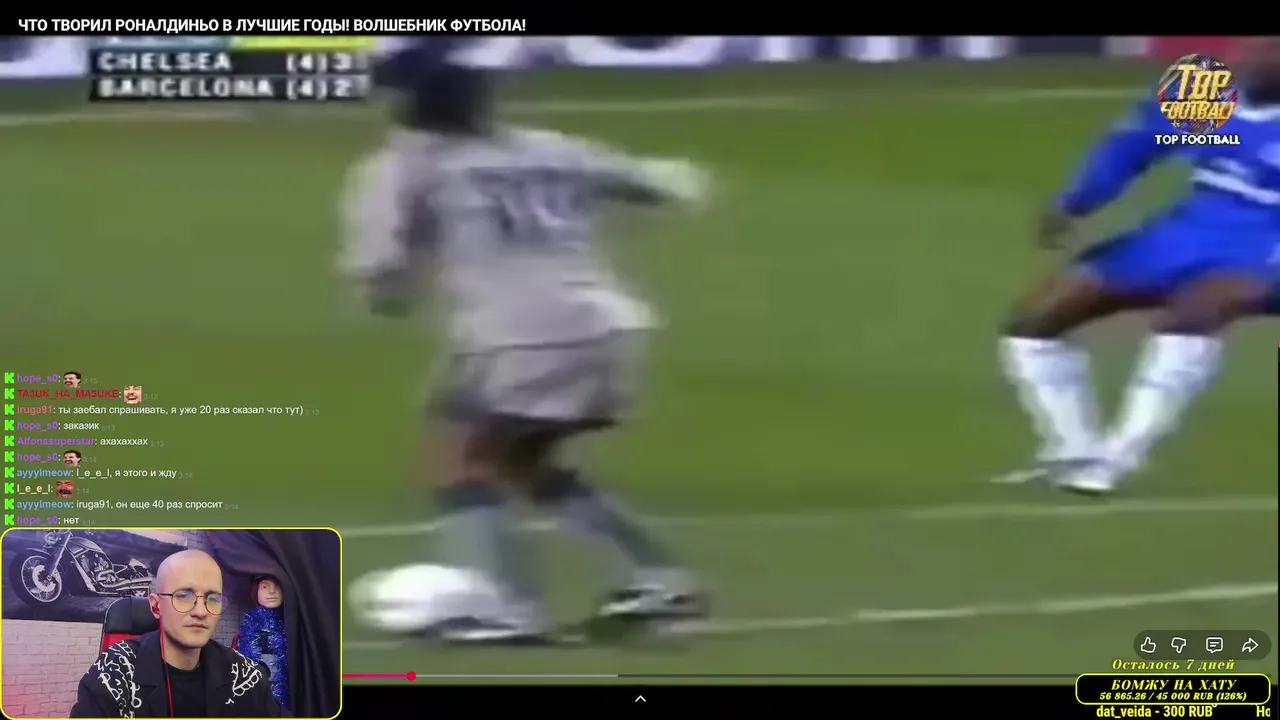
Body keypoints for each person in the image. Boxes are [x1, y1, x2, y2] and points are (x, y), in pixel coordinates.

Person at [341, 40, 711, 644]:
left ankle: (507, 605)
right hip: (604, 323)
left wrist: (387, 293)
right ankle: (662, 578)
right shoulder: (550, 150)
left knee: (461, 460)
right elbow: (671, 185)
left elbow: (380, 271)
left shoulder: (405, 166)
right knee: (524, 460)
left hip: (520, 334)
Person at [998, 38, 1280, 495]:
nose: (1254, 58)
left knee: (1194, 313)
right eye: (1254, 46)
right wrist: (1075, 202)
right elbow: (1133, 147)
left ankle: (1118, 458)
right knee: (1034, 321)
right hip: (1185, 234)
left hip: (1267, 243)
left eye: (1272, 51)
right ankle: (1073, 449)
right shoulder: (1205, 92)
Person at [69, 549, 285, 718]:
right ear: (156, 606)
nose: (201, 611)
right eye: (183, 596)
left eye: (212, 598)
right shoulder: (115, 671)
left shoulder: (243, 674)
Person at [238, 575, 290, 711]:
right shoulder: (249, 625)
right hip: (256, 694)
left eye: (277, 586)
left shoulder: (290, 623)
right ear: (256, 591)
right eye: (265, 586)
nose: (272, 591)